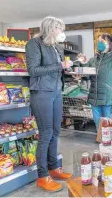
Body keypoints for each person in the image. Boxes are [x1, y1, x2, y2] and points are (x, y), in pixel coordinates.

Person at [26, 16, 73, 192]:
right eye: (59, 29)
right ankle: (42, 176)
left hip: (56, 92)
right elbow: (33, 70)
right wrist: (60, 65)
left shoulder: (56, 47)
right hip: (42, 93)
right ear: (50, 29)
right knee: (45, 134)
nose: (62, 32)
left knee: (55, 131)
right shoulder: (34, 44)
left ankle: (54, 168)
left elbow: (59, 70)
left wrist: (69, 72)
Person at [78, 33, 112, 132]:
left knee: (110, 128)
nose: (99, 44)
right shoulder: (93, 60)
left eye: (102, 42)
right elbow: (86, 75)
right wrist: (82, 64)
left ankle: (109, 146)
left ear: (109, 44)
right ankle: (101, 145)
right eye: (98, 41)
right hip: (94, 100)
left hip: (108, 101)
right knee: (99, 128)